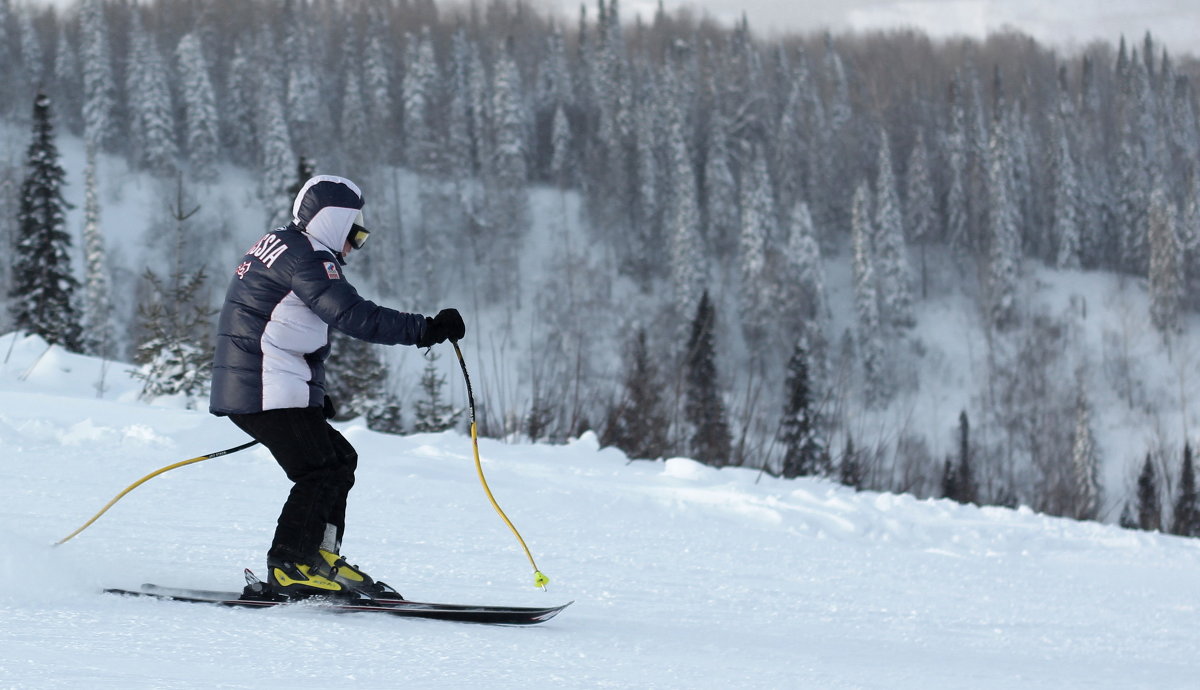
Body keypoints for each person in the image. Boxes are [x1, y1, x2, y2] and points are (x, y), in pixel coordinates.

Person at [209, 175, 465, 598]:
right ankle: (291, 565)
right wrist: (427, 329)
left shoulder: (281, 244)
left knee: (339, 458)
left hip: (263, 382)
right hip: (263, 385)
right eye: (355, 234)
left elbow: (282, 326)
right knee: (320, 469)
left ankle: (318, 557)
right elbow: (352, 315)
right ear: (333, 223)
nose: (355, 246)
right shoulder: (308, 257)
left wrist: (309, 393)